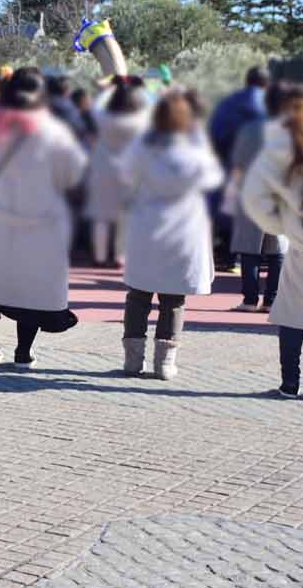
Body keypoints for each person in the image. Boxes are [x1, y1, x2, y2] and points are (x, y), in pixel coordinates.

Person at [0, 67, 88, 368]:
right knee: (32, 290)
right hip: (38, 225)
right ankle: (23, 353)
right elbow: (74, 173)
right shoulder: (53, 131)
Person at [118, 91, 223, 379]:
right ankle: (164, 363)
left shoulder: (142, 147)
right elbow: (212, 179)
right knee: (173, 299)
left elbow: (125, 176)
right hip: (183, 228)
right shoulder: (194, 149)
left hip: (147, 226)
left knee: (138, 295)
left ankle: (132, 360)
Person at [240, 79, 303, 398]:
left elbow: (255, 198)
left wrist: (282, 226)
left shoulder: (280, 148)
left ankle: (290, 384)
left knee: (294, 316)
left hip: (302, 248)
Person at [229, 83, 292, 312]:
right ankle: (271, 300)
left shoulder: (249, 128)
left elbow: (237, 163)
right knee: (277, 249)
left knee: (250, 248)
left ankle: (249, 299)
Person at [84, 81, 150, 267]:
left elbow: (97, 105)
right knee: (126, 215)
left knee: (101, 214)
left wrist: (110, 89)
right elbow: (149, 105)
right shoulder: (140, 119)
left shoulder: (103, 117)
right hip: (130, 170)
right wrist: (140, 91)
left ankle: (99, 255)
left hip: (103, 168)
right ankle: (121, 256)